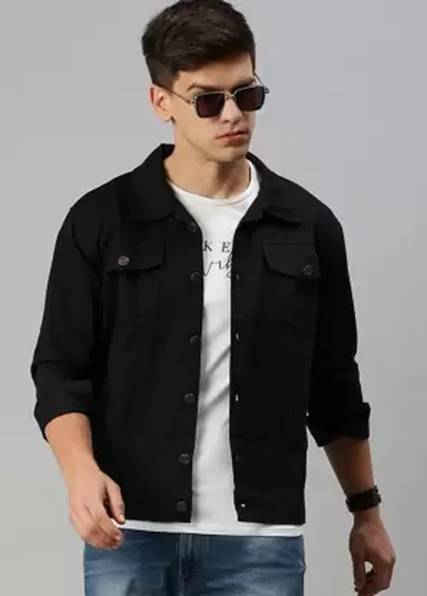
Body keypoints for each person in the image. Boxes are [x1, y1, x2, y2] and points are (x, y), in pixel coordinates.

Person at [29, 1, 396, 594]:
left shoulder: (307, 226)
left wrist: (366, 513)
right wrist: (79, 473)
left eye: (247, 94)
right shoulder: (102, 221)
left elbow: (334, 386)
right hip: (131, 532)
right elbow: (60, 369)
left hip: (261, 545)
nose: (233, 115)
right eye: (208, 100)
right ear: (162, 102)